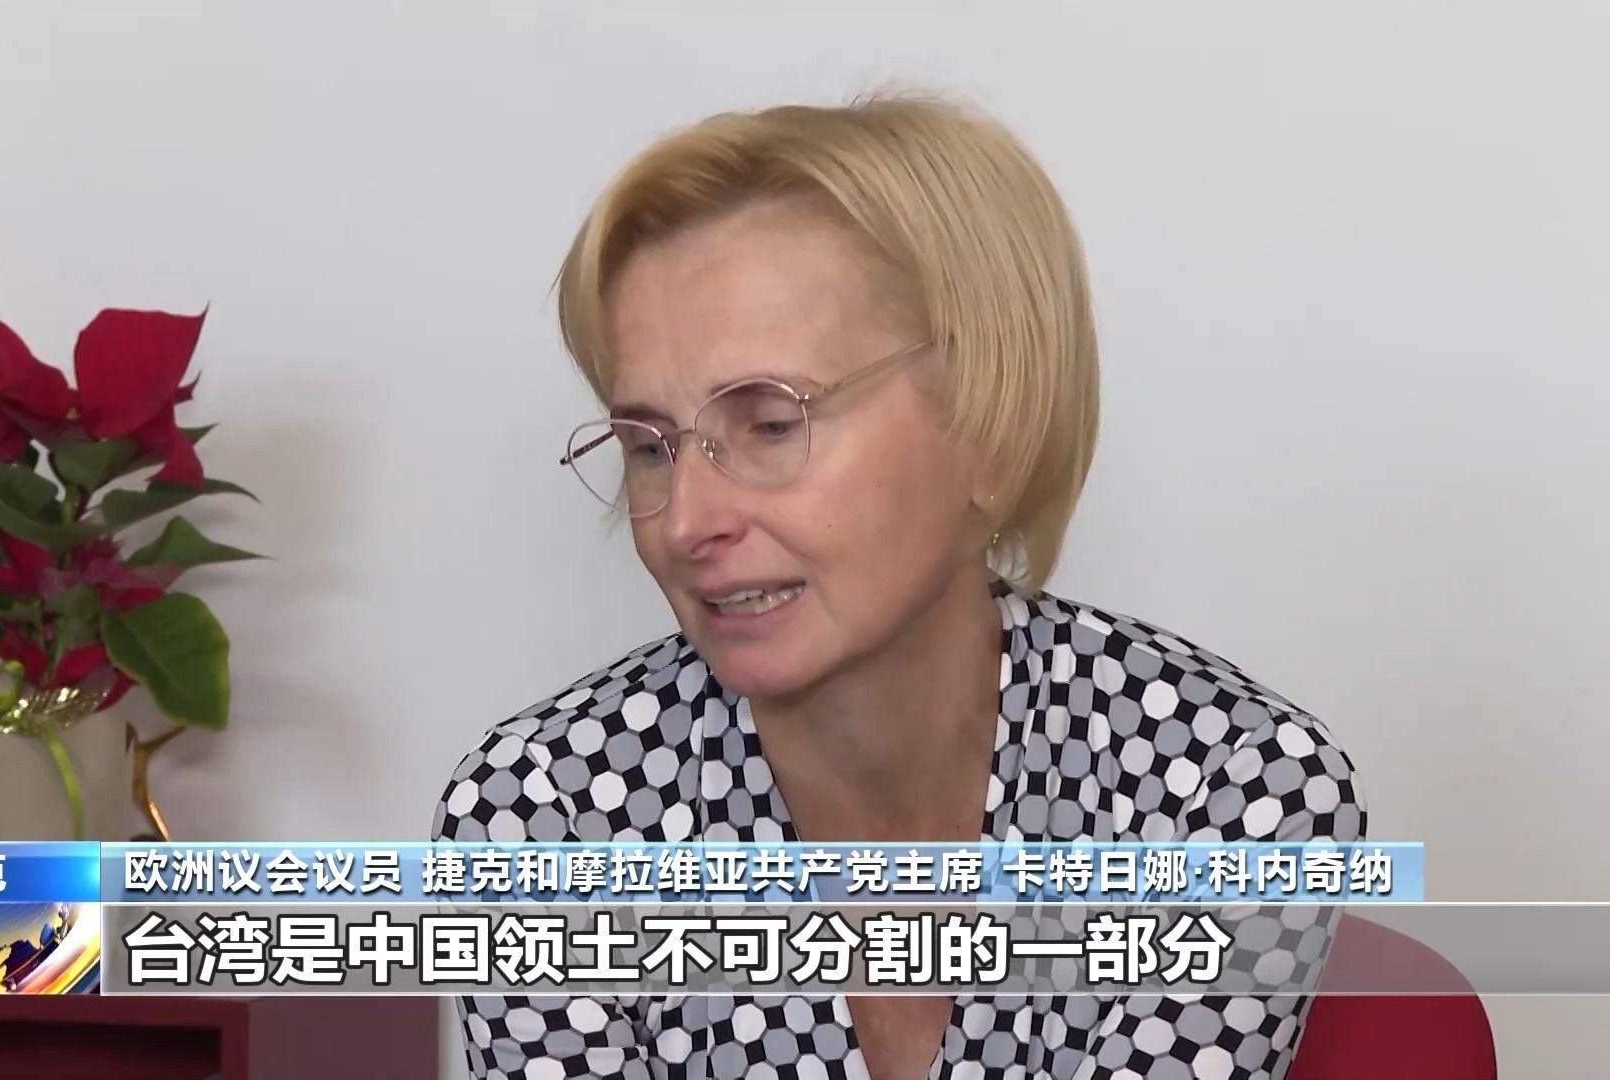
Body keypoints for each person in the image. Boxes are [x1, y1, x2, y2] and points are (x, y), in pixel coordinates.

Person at [432, 91, 1364, 1079]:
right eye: (649, 446)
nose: (685, 521)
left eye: (772, 422)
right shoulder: (540, 816)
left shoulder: (1227, 789)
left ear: (990, 425)